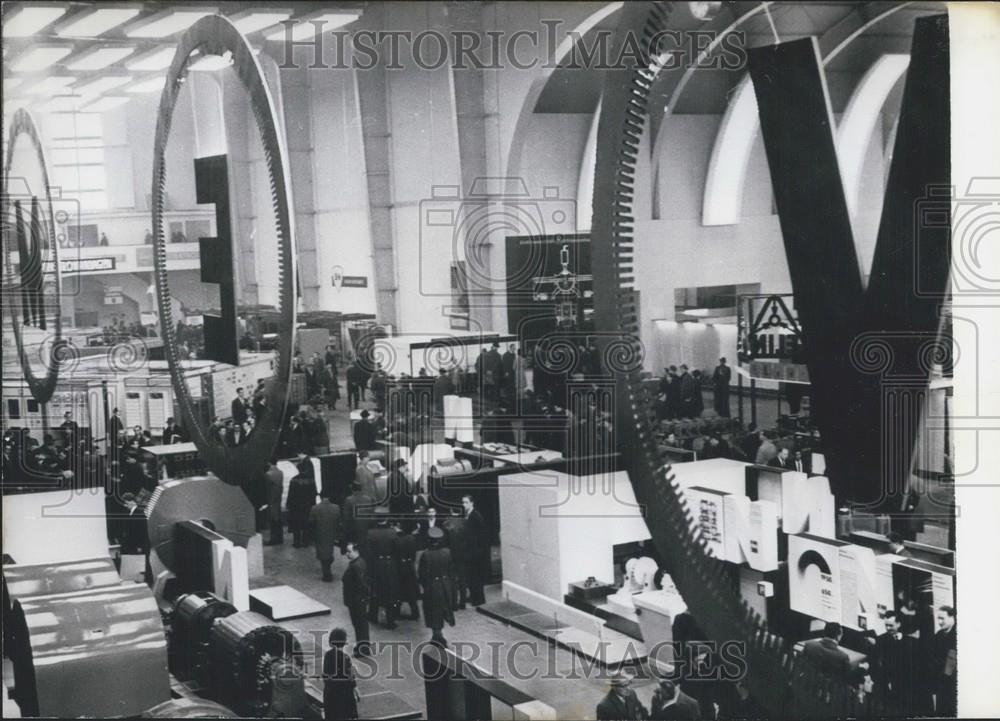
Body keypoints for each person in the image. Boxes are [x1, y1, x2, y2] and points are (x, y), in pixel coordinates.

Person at [419, 527, 456, 646]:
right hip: (445, 585)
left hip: (432, 586)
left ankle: (437, 635)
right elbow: (451, 571)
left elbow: (422, 574)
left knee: (433, 610)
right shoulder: (447, 552)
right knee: (444, 609)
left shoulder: (426, 555)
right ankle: (439, 635)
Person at [874, 611, 917, 714]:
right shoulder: (880, 640)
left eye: (891, 625)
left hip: (906, 685)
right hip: (888, 685)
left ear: (899, 624)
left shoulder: (911, 642)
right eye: (886, 625)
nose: (888, 628)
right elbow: (877, 663)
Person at [367, 518, 400, 629]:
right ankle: (390, 620)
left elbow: (369, 552)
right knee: (390, 592)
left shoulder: (371, 533)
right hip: (390, 564)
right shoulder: (393, 532)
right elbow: (397, 550)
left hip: (377, 564)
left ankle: (373, 615)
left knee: (375, 590)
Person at [341, 542, 371, 658]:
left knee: (359, 625)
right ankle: (362, 646)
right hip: (358, 600)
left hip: (356, 601)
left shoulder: (356, 566)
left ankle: (363, 649)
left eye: (349, 551)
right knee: (360, 625)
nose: (347, 554)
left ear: (356, 551)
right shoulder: (359, 562)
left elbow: (361, 584)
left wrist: (361, 598)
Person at [323, 628, 358, 720]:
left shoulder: (327, 655)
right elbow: (350, 676)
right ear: (344, 641)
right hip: (344, 695)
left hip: (330, 694)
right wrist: (355, 688)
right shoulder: (345, 658)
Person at [461, 495, 490, 607]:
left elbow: (481, 537)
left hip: (476, 554)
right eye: (463, 503)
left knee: (476, 578)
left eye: (466, 502)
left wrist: (478, 554)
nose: (464, 505)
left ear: (472, 503)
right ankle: (474, 597)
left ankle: (479, 600)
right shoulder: (467, 516)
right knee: (471, 577)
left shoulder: (476, 516)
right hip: (470, 553)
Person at [310, 496, 342, 582]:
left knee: (322, 553)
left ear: (320, 497)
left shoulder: (315, 508)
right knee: (329, 551)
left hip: (320, 533)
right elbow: (339, 520)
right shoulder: (336, 507)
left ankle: (327, 573)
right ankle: (327, 568)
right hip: (332, 533)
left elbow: (311, 522)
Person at [286, 460, 317, 548]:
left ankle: (297, 542)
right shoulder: (311, 480)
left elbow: (291, 494)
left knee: (296, 525)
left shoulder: (293, 480)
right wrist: (313, 505)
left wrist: (289, 505)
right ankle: (306, 541)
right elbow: (313, 495)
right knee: (306, 524)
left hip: (296, 506)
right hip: (307, 506)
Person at [933, 605, 957, 715]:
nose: (939, 621)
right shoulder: (938, 634)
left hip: (953, 681)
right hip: (941, 679)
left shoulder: (958, 633)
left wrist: (944, 678)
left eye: (942, 618)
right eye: (938, 618)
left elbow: (952, 659)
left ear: (952, 617)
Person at [341, 481, 375, 559]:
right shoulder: (368, 499)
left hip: (354, 531)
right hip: (366, 530)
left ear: (352, 490)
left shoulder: (349, 500)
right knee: (365, 551)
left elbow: (346, 518)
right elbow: (372, 515)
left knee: (356, 553)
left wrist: (344, 534)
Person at [395, 524, 420, 621]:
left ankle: (397, 612)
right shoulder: (411, 538)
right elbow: (414, 554)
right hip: (409, 566)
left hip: (400, 567)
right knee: (411, 592)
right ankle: (415, 612)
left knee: (398, 591)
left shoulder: (397, 540)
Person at [264, 459, 285, 545]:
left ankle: (274, 539)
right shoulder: (280, 472)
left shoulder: (268, 474)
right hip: (278, 498)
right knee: (278, 519)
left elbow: (266, 489)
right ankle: (280, 538)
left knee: (273, 520)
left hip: (271, 499)